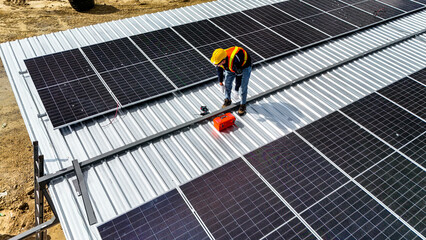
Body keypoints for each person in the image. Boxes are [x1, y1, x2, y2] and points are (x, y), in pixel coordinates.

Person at [211, 47, 252, 115]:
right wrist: (220, 82)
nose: (216, 65)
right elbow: (219, 70)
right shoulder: (219, 58)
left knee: (243, 86)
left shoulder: (236, 60)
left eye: (218, 64)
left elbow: (239, 77)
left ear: (223, 61)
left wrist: (236, 90)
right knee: (227, 83)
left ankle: (243, 105)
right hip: (231, 66)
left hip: (244, 67)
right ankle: (228, 100)